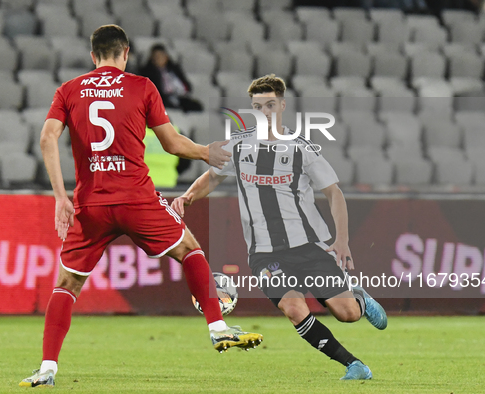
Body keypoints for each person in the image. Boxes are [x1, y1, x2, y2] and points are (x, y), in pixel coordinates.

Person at [19, 25, 262, 388]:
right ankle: (218, 328)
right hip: (136, 198)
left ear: (93, 56)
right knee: (189, 249)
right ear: (126, 53)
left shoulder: (68, 91)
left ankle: (47, 369)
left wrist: (60, 197)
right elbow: (173, 144)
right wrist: (206, 152)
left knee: (67, 283)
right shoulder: (142, 86)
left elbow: (46, 137)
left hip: (91, 204)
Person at [172, 74, 388, 381]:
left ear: (282, 106)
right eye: (258, 106)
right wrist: (187, 197)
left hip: (308, 246)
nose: (264, 111)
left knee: (347, 314)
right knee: (293, 308)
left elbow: (333, 192)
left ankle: (360, 300)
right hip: (263, 253)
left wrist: (341, 239)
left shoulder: (302, 149)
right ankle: (354, 365)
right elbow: (212, 177)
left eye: (270, 104)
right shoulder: (239, 146)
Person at [139, 43, 203, 112]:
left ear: (166, 57)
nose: (158, 59)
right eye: (155, 56)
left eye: (160, 56)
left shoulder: (174, 69)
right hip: (164, 98)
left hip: (180, 96)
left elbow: (186, 84)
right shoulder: (147, 72)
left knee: (197, 107)